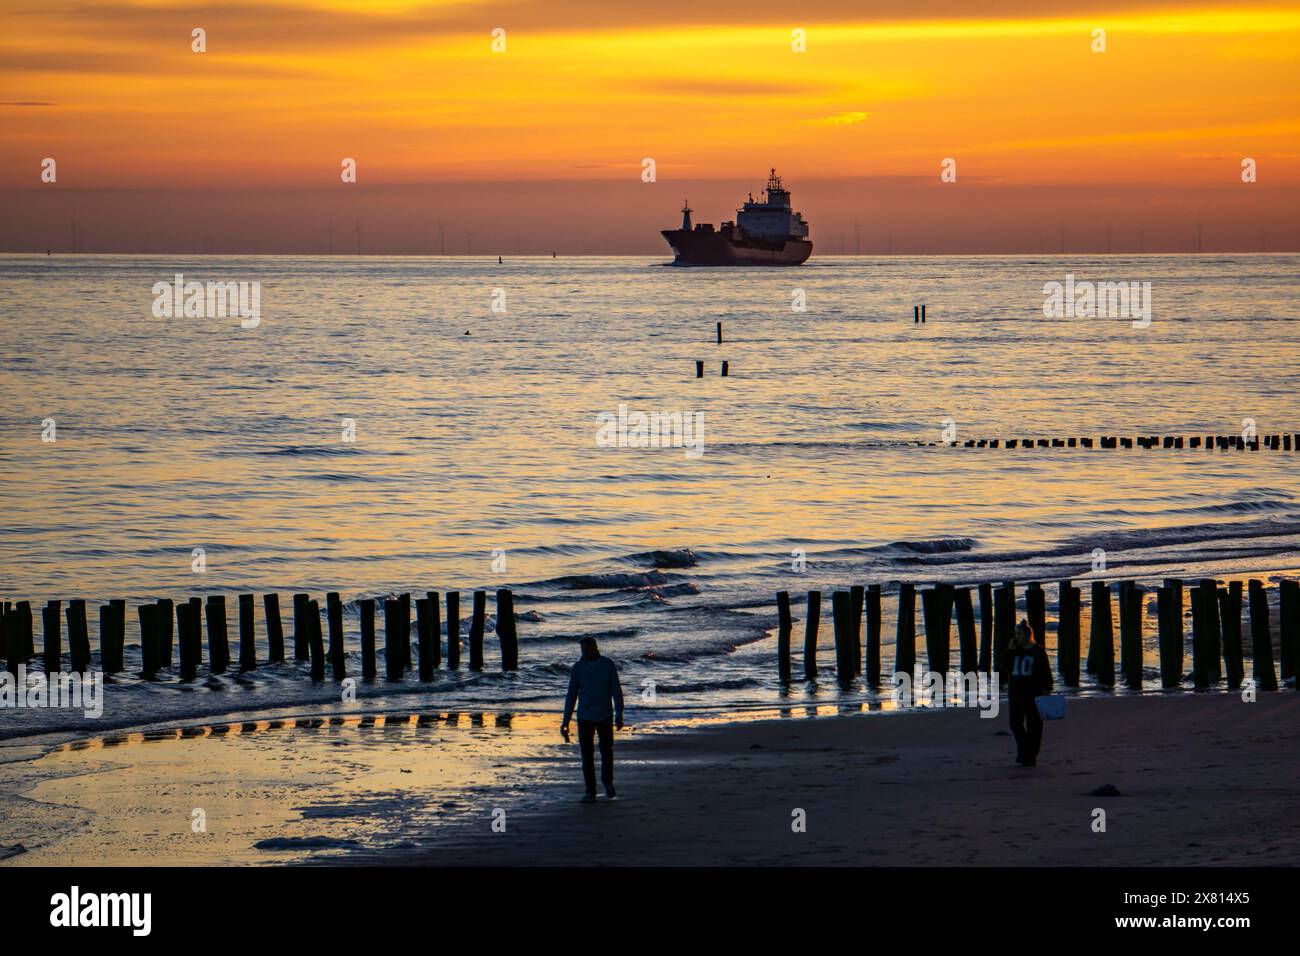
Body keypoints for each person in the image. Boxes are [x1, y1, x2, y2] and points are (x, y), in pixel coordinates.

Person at [561, 637, 624, 801]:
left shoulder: (607, 665)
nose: (585, 653)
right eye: (583, 650)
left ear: (595, 648)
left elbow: (616, 690)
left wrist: (619, 714)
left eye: (588, 649)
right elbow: (571, 695)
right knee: (586, 754)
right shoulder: (578, 668)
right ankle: (590, 790)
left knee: (606, 751)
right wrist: (566, 720)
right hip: (584, 716)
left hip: (605, 714)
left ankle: (608, 783)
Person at [999, 619, 1053, 766]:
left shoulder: (1038, 652)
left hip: (1033, 694)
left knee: (1034, 726)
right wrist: (1009, 650)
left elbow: (1046, 672)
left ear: (1028, 634)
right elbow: (1003, 666)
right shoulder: (1015, 650)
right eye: (1016, 634)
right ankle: (1025, 751)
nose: (1017, 637)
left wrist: (1048, 687)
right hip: (1015, 693)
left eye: (1020, 634)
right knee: (1015, 723)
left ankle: (1030, 756)